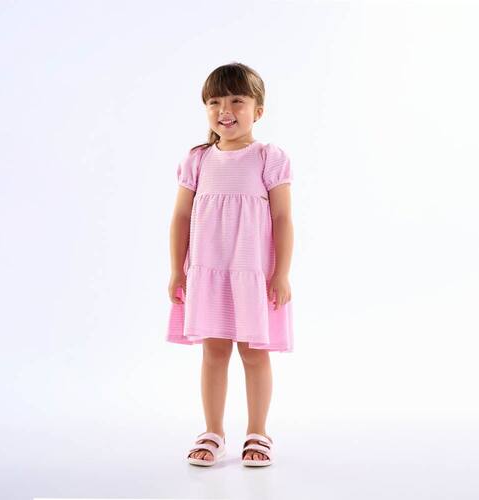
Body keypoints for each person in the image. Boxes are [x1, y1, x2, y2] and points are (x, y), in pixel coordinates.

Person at [166, 62, 294, 467]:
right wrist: (176, 269)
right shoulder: (197, 160)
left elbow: (282, 218)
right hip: (208, 272)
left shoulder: (269, 157)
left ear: (258, 110)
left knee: (254, 353)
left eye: (237, 100)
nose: (225, 109)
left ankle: (258, 432)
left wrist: (281, 273)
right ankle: (213, 432)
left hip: (252, 274)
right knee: (214, 351)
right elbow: (181, 217)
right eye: (215, 102)